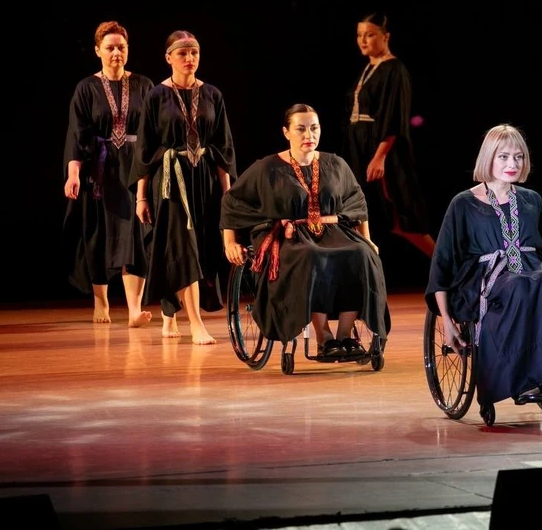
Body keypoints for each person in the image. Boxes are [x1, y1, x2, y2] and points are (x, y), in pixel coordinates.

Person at [425, 124, 542, 413]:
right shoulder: (463, 204)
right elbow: (443, 263)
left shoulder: (532, 200)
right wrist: (447, 320)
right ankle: (520, 379)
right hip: (486, 281)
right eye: (503, 156)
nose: (512, 164)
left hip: (534, 274)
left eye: (518, 157)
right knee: (523, 286)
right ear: (488, 157)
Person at [220, 104, 391, 355]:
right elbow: (232, 201)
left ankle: (345, 335)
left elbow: (357, 202)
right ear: (286, 132)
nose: (309, 135)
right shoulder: (267, 168)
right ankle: (324, 337)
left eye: (314, 128)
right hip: (289, 237)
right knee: (311, 256)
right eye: (300, 129)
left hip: (332, 231)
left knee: (361, 254)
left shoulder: (335, 163)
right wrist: (229, 242)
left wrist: (367, 239)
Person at [130, 30, 237, 344]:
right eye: (182, 53)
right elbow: (145, 149)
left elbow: (224, 147)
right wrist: (141, 197)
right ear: (169, 58)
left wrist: (228, 194)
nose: (189, 59)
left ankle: (168, 314)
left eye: (194, 53)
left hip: (203, 180)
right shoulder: (156, 96)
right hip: (170, 182)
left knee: (198, 247)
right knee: (181, 246)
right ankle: (196, 323)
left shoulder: (213, 94)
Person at [63, 21, 154, 327]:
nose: (116, 52)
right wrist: (73, 173)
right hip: (100, 171)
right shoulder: (86, 88)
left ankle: (133, 310)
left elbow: (154, 131)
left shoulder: (144, 84)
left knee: (135, 237)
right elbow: (76, 135)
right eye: (110, 47)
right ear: (97, 50)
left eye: (121, 47)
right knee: (98, 235)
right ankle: (100, 302)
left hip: (135, 171)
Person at [341, 12, 435, 260]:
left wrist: (380, 156)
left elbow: (394, 117)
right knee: (366, 215)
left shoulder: (394, 69)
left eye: (370, 35)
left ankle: (447, 266)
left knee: (400, 215)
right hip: (360, 147)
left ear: (386, 37)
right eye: (360, 35)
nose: (363, 40)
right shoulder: (369, 68)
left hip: (381, 149)